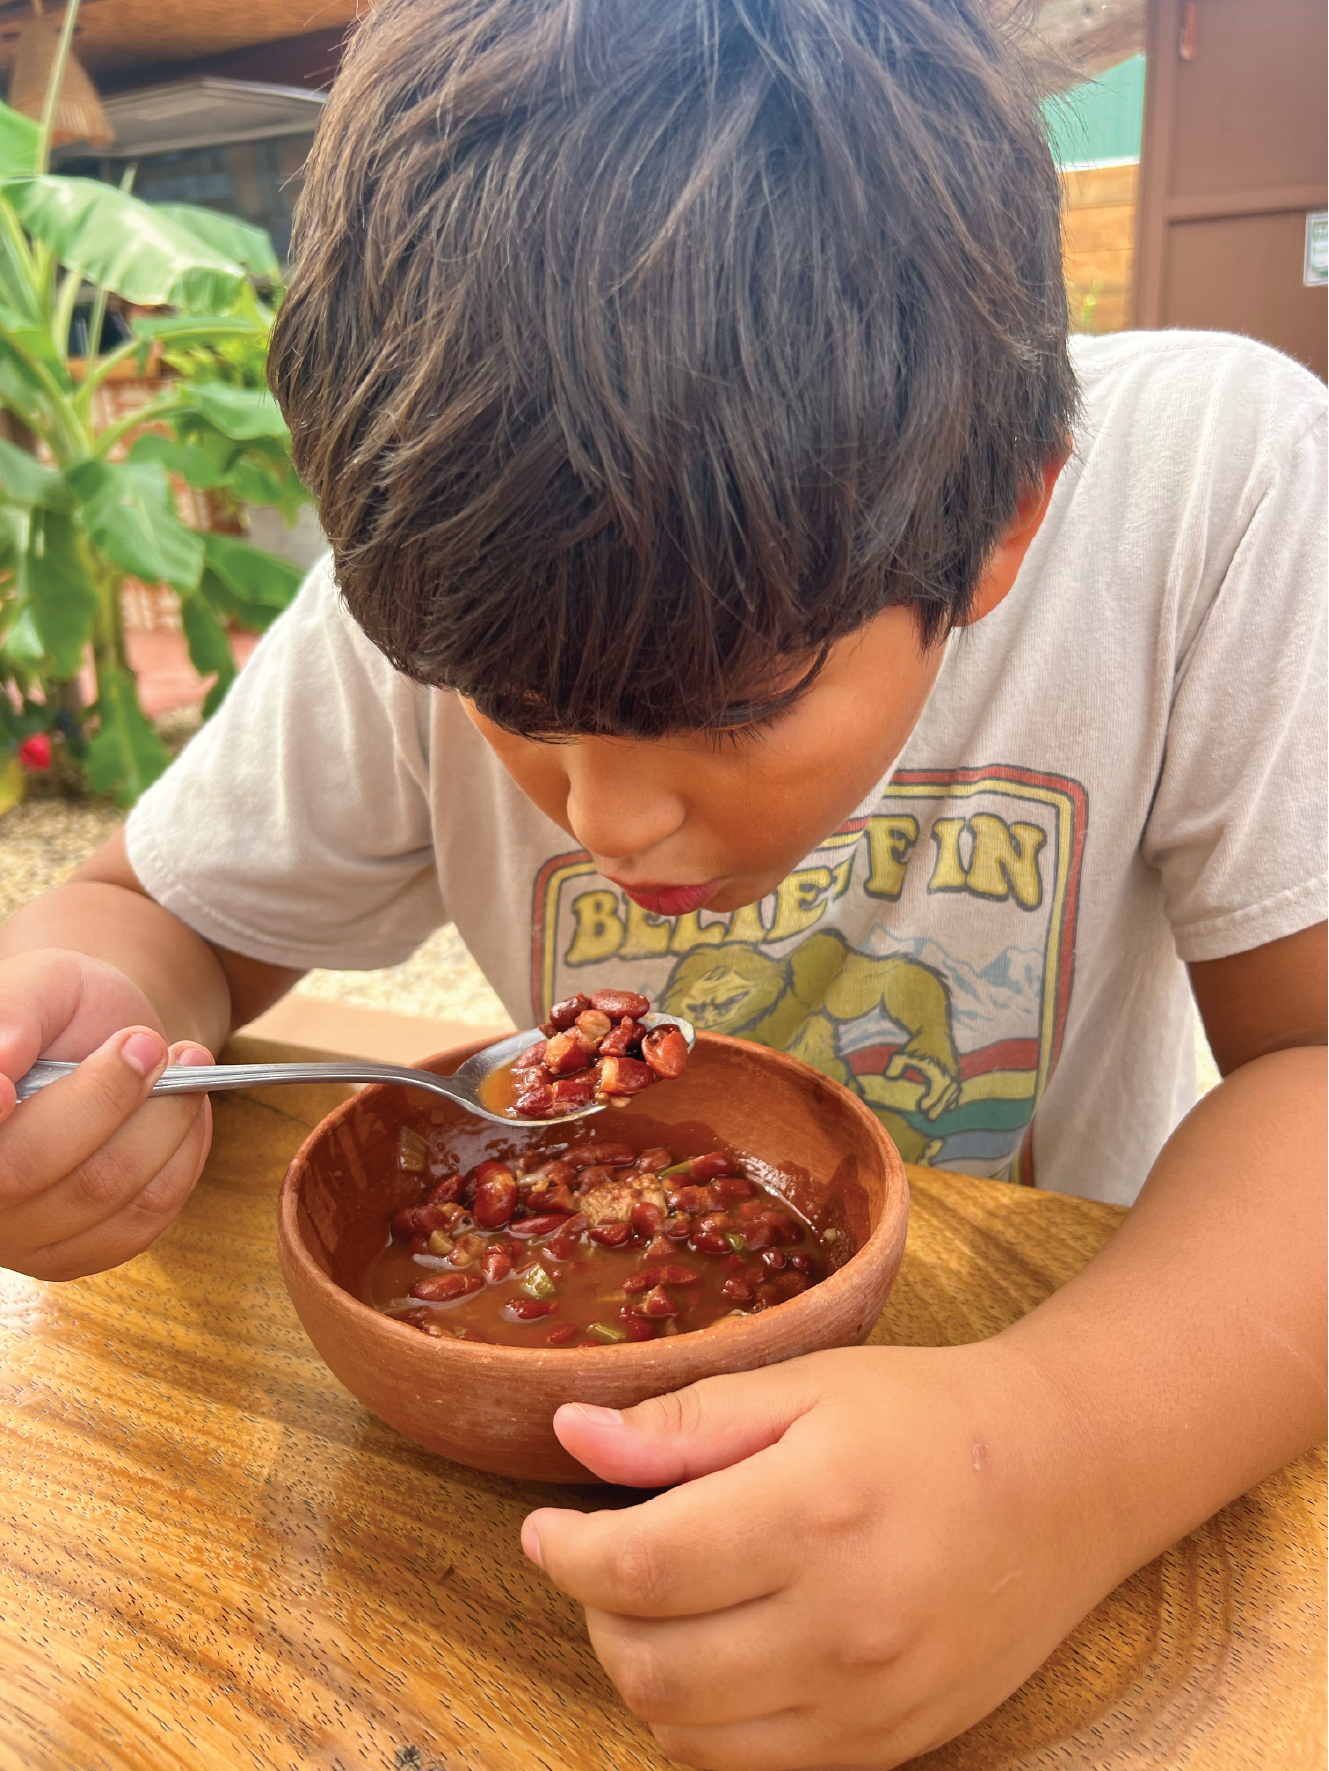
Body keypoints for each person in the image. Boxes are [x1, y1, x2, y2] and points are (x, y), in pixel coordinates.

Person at [1, 0, 1324, 1762]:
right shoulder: (455, 569)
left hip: (1084, 1469)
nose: (609, 823)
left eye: (737, 706)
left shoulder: (1210, 493)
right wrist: (100, 1019)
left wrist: (1058, 1463)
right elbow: (152, 916)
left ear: (1003, 519)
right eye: (519, 718)